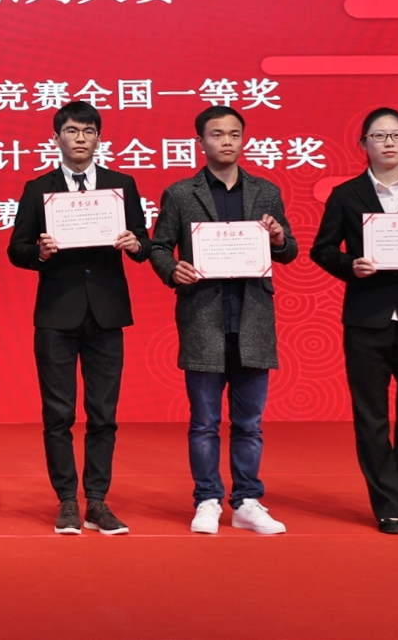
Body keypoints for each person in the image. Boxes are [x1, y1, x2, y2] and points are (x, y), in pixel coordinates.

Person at [150, 105, 297, 536]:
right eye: (217, 134)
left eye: (234, 134)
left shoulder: (265, 191)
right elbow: (159, 246)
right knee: (204, 422)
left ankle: (247, 501)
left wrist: (278, 238)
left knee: (250, 424)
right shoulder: (181, 193)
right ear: (201, 142)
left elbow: (288, 250)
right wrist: (172, 269)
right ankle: (207, 499)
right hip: (203, 318)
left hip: (252, 318)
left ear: (243, 139)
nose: (226, 141)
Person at [7, 101, 150, 536]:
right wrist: (41, 252)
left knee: (103, 413)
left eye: (88, 131)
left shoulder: (120, 185)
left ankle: (98, 501)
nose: (80, 138)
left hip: (106, 314)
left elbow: (144, 244)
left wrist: (134, 244)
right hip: (57, 314)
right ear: (57, 138)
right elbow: (16, 249)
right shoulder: (39, 188)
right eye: (71, 131)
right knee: (58, 414)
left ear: (99, 138)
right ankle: (67, 500)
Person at [310, 107, 398, 535]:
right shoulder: (346, 195)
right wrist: (349, 266)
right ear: (363, 144)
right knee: (371, 417)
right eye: (378, 136)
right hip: (366, 319)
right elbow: (322, 249)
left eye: (396, 135)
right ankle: (388, 504)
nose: (388, 143)